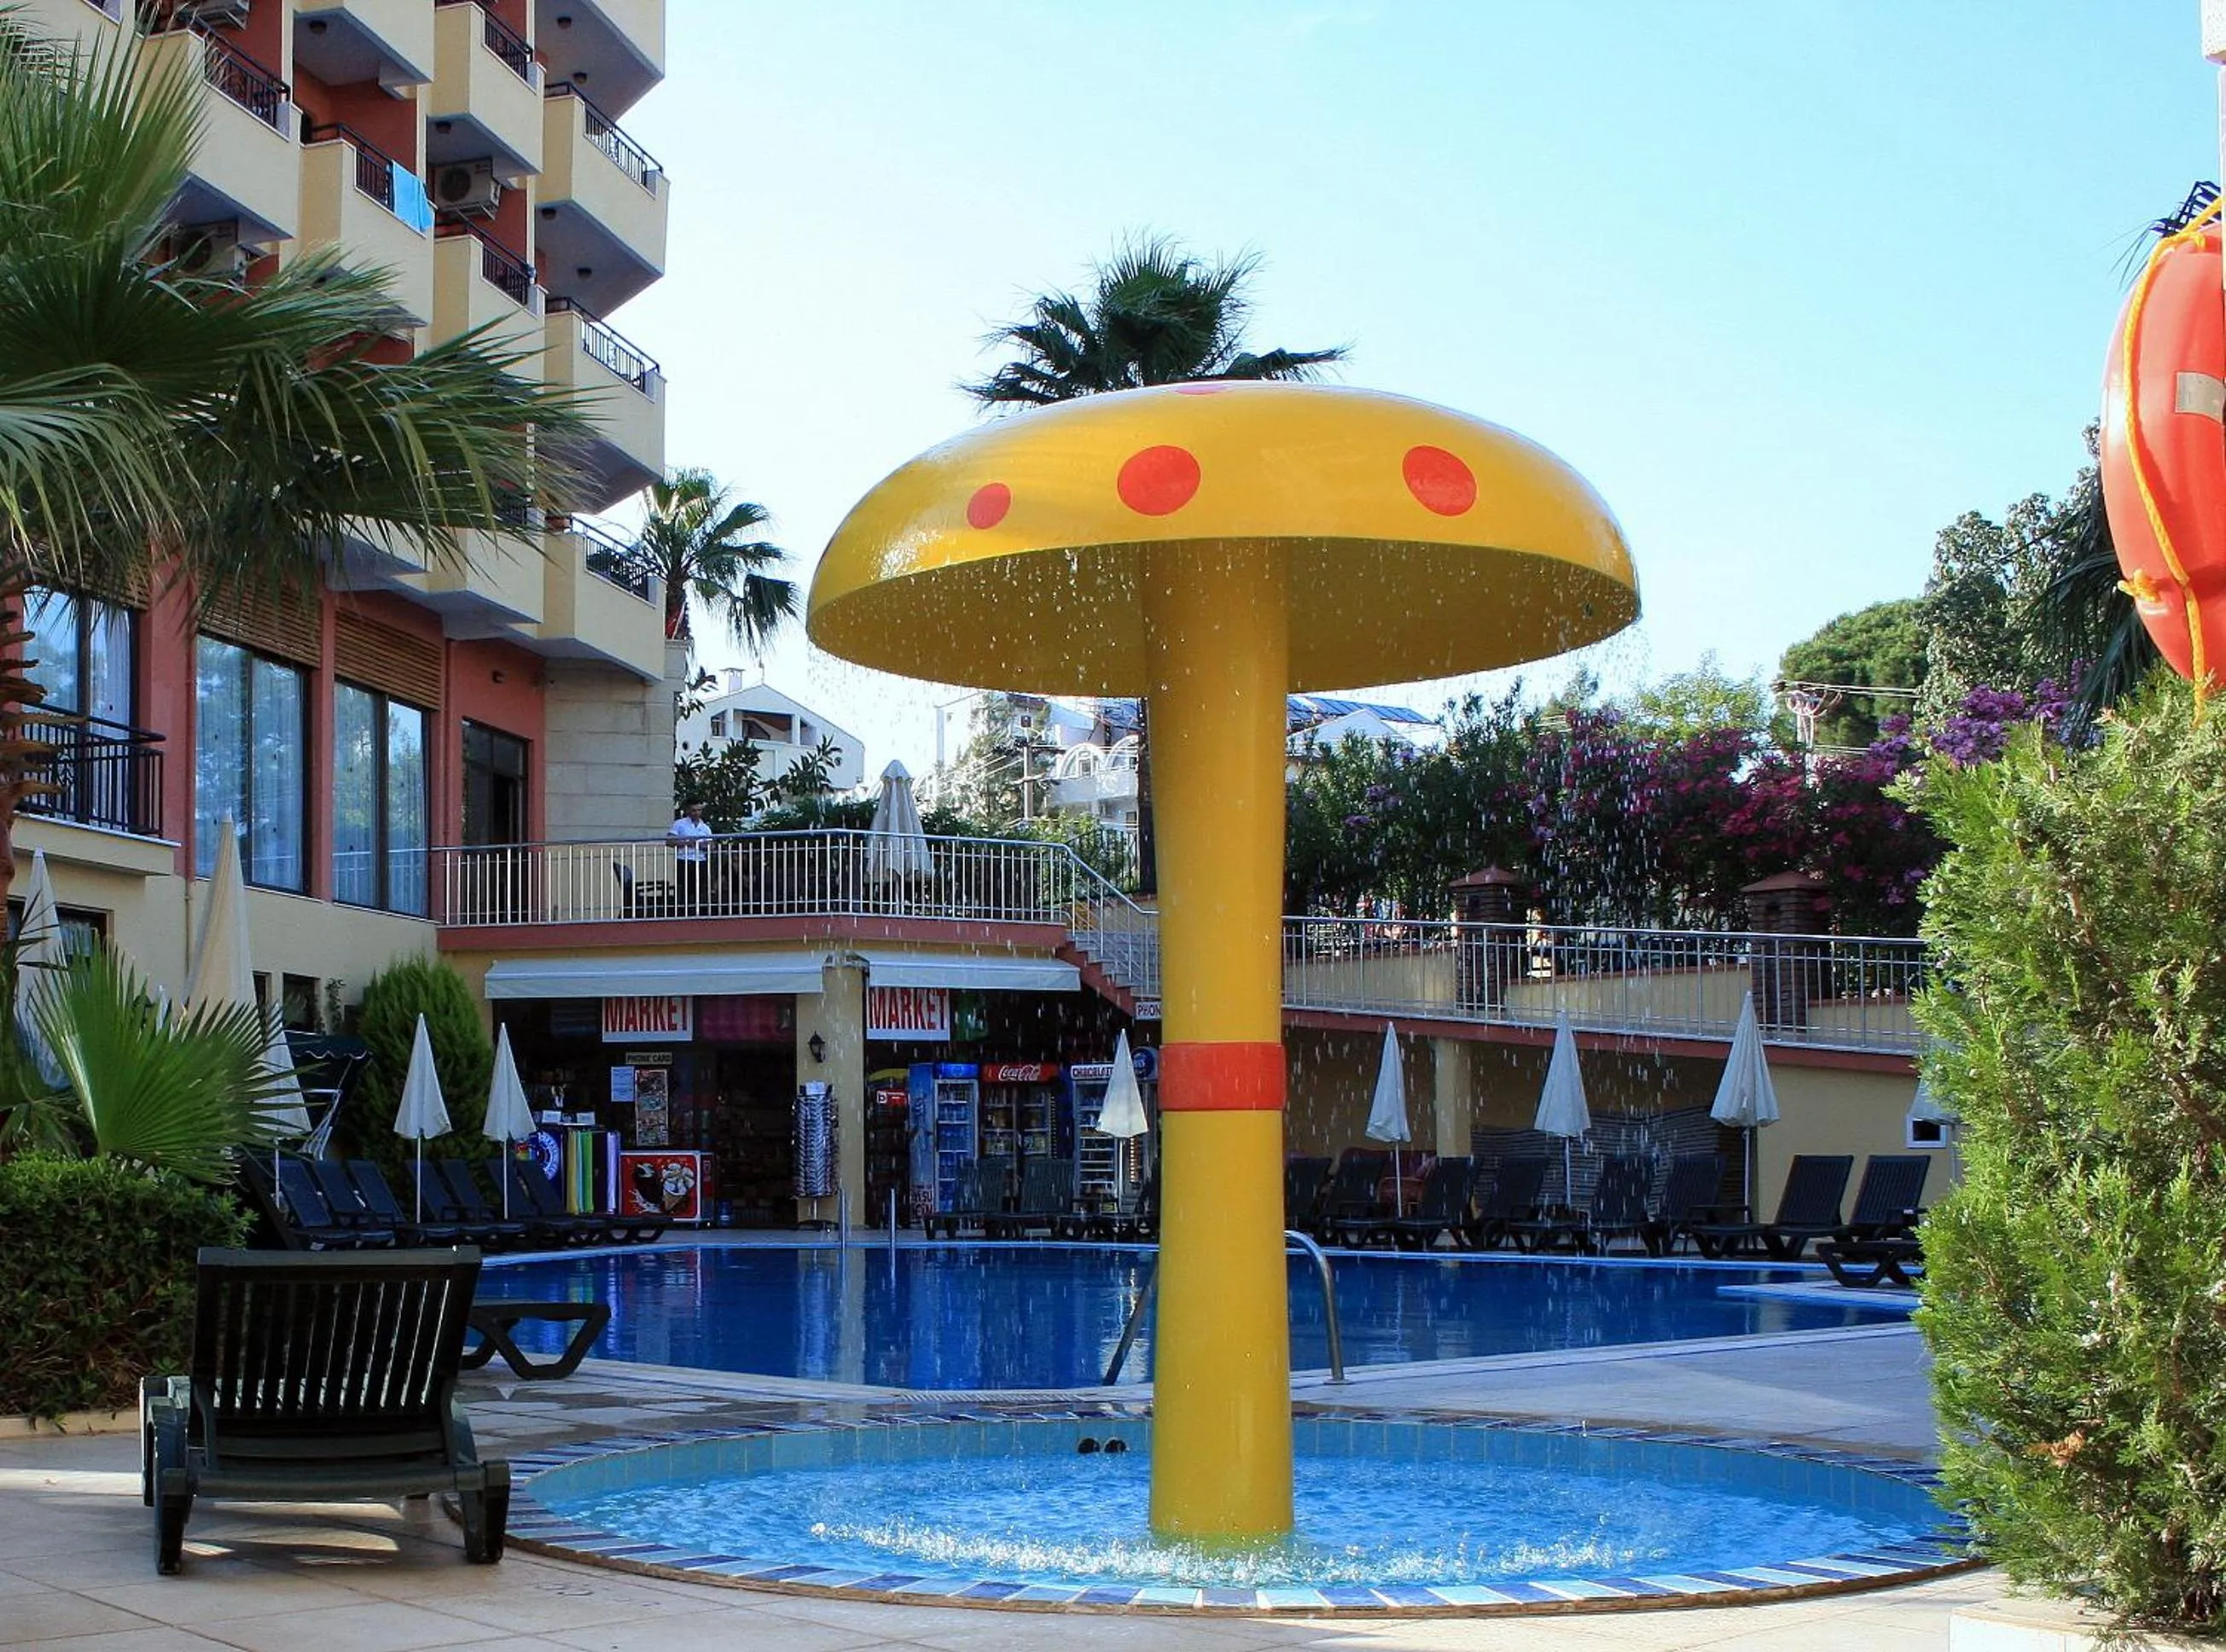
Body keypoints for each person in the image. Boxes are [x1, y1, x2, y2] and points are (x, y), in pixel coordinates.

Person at [666, 801, 713, 912]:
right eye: (694, 810)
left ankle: (699, 911)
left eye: (699, 810)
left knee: (700, 887)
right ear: (688, 811)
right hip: (684, 860)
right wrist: (687, 843)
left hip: (700, 860)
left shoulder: (705, 827)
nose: (697, 813)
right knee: (684, 887)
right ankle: (682, 911)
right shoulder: (679, 824)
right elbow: (669, 841)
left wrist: (704, 846)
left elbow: (712, 845)